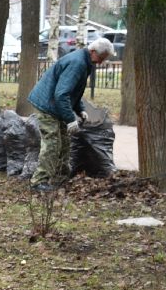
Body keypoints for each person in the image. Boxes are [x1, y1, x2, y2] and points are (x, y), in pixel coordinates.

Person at [27, 36, 115, 191]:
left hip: (54, 105)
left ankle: (60, 178)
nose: (101, 62)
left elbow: (74, 90)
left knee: (64, 144)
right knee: (53, 144)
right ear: (93, 51)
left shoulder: (85, 61)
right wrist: (70, 119)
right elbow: (61, 94)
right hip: (48, 106)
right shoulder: (78, 63)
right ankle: (38, 182)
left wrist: (80, 109)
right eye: (101, 58)